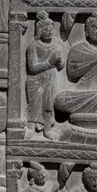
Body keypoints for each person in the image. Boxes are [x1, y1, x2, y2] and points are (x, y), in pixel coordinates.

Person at [26, 11, 63, 139]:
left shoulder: (56, 45)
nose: (49, 32)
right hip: (35, 80)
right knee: (34, 106)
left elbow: (60, 67)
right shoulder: (33, 45)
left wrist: (59, 62)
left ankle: (47, 130)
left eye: (51, 30)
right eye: (46, 30)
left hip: (51, 80)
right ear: (39, 31)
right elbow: (32, 68)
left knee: (49, 105)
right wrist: (49, 63)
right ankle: (30, 128)